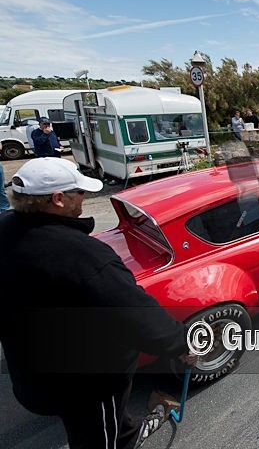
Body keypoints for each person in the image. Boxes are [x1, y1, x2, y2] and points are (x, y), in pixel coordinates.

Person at [0, 157, 196, 449]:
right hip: (85, 385)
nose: (85, 198)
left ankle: (127, 428)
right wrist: (181, 343)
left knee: (109, 424)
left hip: (31, 374)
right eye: (79, 192)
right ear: (58, 199)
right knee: (101, 440)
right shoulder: (83, 256)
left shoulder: (5, 232)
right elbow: (136, 315)